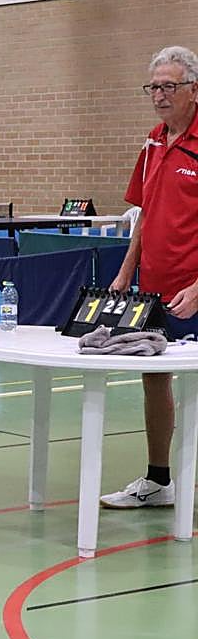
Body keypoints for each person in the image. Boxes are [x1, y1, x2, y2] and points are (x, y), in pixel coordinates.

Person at [103, 45, 198, 510]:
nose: (159, 95)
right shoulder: (153, 142)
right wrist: (125, 272)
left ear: (193, 90)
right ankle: (159, 481)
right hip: (153, 290)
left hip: (195, 289)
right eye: (154, 87)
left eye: (169, 86)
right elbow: (144, 214)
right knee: (153, 377)